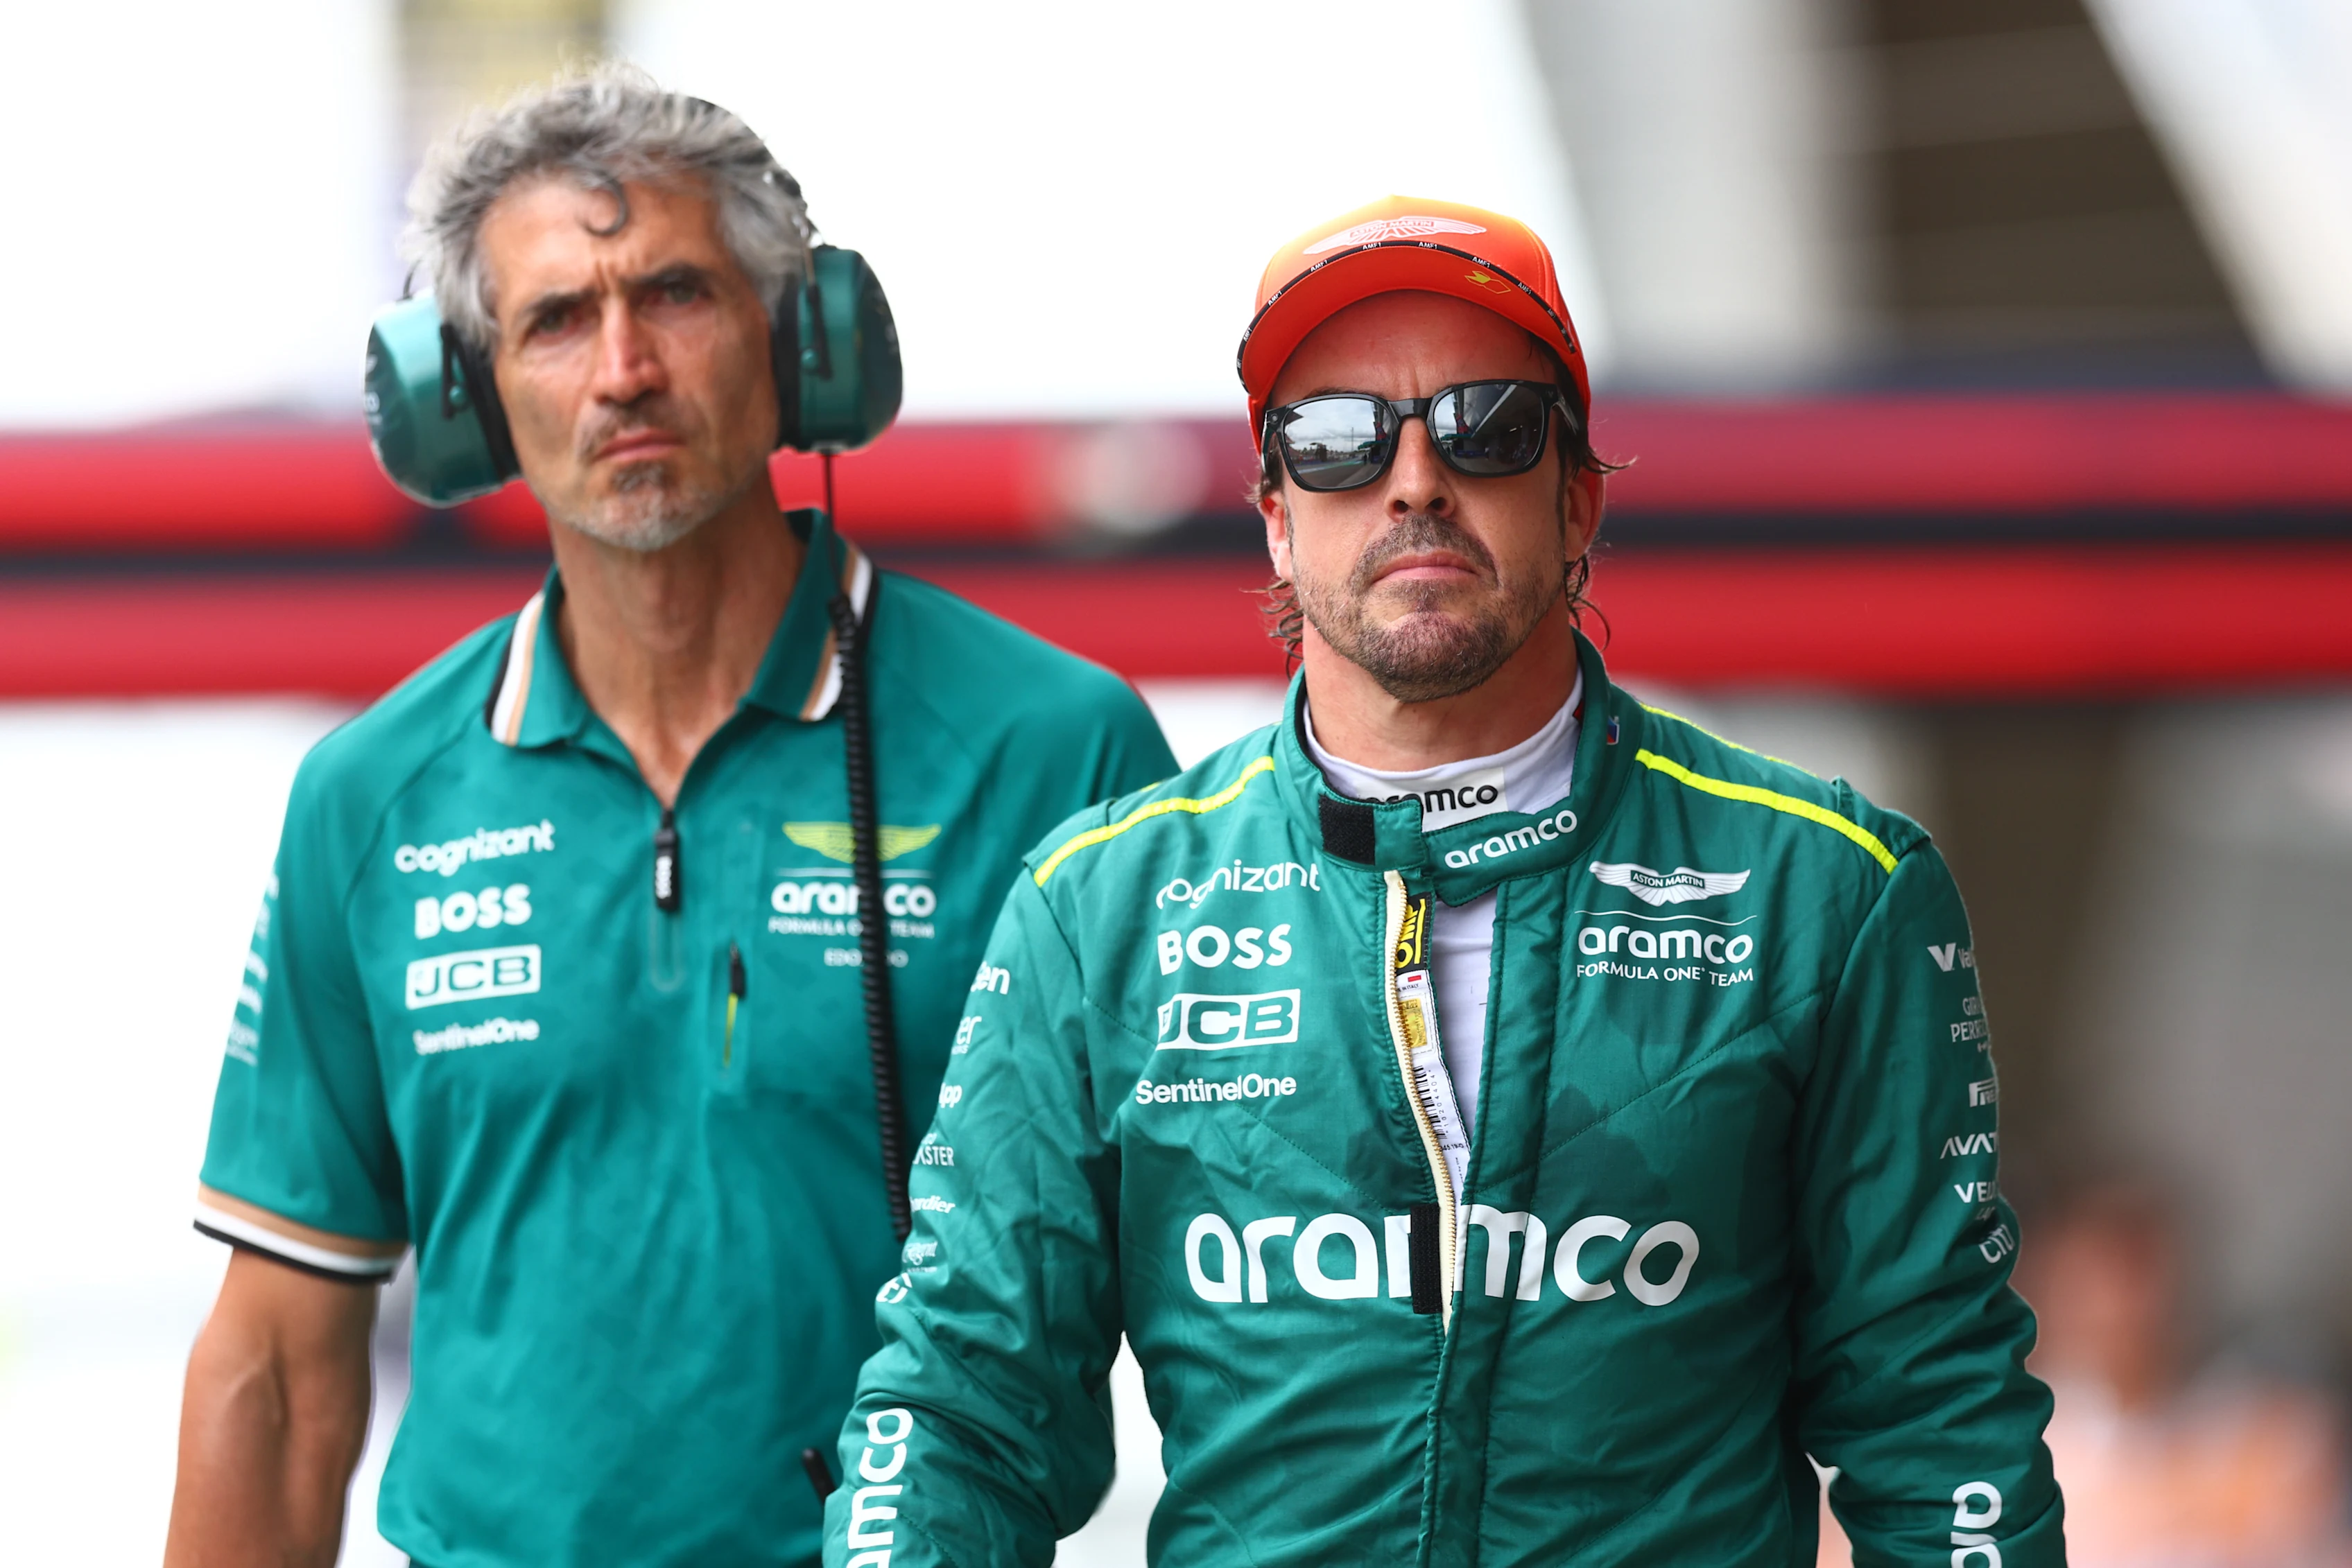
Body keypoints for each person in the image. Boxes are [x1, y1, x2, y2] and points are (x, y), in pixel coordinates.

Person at [826, 195, 2062, 1565]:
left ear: (1578, 494)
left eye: (1487, 426)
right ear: (1277, 522)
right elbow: (960, 1407)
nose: (1414, 481)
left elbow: (1937, 1427)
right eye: (1338, 441)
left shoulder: (1825, 890)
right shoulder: (1099, 906)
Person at [165, 69, 1174, 1568]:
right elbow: (277, 1371)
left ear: (801, 348)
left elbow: (1237, 1311)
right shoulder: (368, 800)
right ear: (465, 396)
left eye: (678, 295)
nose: (623, 368)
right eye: (556, 319)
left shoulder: (1055, 751)